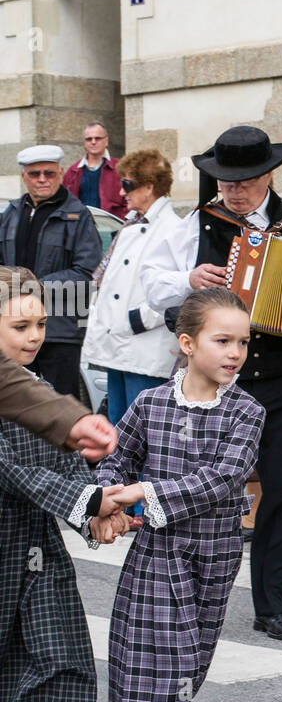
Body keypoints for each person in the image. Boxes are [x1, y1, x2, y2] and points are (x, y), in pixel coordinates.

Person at [142, 125, 282, 641]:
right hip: (215, 375)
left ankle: (271, 606)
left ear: (268, 174)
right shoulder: (195, 223)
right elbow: (150, 285)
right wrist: (187, 281)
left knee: (281, 490)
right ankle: (185, 592)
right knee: (203, 486)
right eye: (224, 181)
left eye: (244, 181)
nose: (232, 191)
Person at [93, 288, 265, 702]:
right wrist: (106, 504)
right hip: (158, 551)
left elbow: (224, 478)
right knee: (157, 657)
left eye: (242, 342)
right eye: (222, 341)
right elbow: (114, 460)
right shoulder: (150, 404)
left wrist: (142, 494)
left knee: (192, 661)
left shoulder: (247, 411)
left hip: (215, 554)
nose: (235, 353)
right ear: (187, 344)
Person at [0, 266, 133, 702]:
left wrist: (100, 508)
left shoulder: (44, 391)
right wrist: (88, 505)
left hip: (38, 550)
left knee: (64, 651)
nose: (35, 336)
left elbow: (67, 461)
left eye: (41, 324)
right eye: (20, 325)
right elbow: (11, 472)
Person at [82, 149, 181, 521]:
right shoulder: (131, 224)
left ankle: (144, 504)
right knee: (121, 433)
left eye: (128, 185)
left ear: (149, 187)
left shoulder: (172, 227)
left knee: (147, 433)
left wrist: (139, 319)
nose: (122, 192)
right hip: (116, 349)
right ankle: (121, 500)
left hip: (144, 347)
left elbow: (175, 287)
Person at [0, 145, 101, 399]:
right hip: (12, 330)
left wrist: (32, 289)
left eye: (49, 173)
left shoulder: (79, 216)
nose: (42, 179)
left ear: (61, 173)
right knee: (16, 404)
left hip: (59, 331)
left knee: (58, 404)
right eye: (35, 174)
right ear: (24, 177)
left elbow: (87, 274)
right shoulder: (11, 213)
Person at [0, 349, 116, 459]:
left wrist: (73, 421)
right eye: (20, 328)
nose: (34, 337)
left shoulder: (45, 388)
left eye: (41, 326)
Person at [63, 122, 126, 217]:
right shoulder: (73, 171)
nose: (93, 142)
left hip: (112, 228)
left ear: (106, 141)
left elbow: (130, 202)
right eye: (89, 139)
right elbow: (65, 204)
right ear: (84, 142)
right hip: (81, 227)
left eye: (98, 138)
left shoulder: (120, 168)